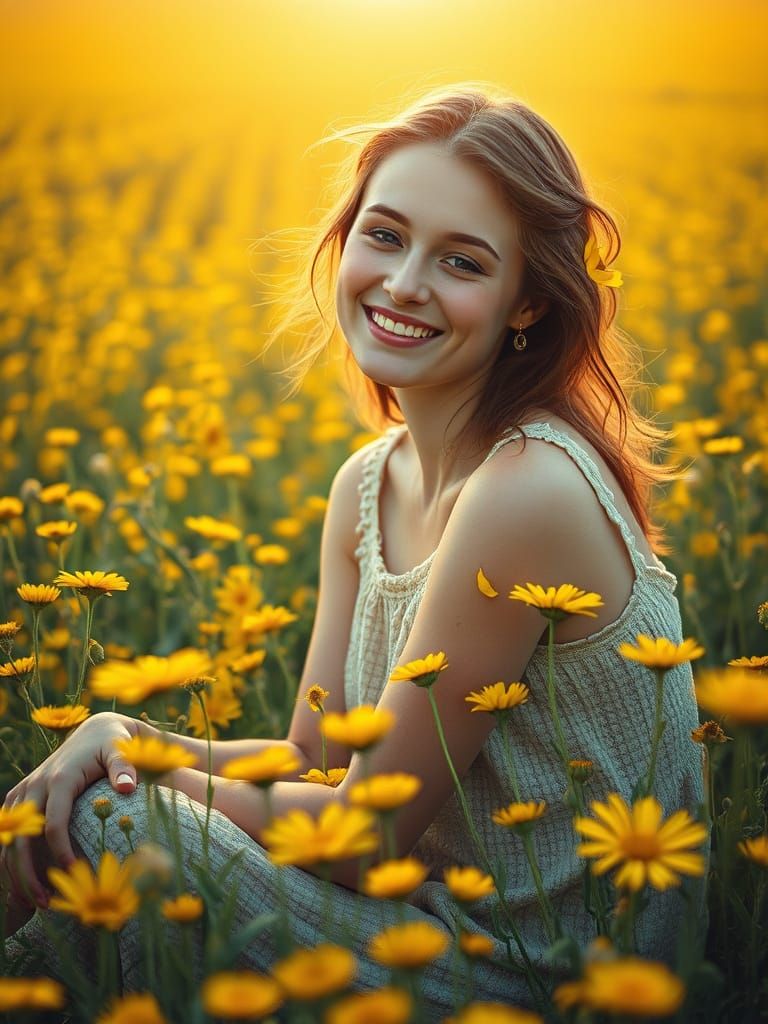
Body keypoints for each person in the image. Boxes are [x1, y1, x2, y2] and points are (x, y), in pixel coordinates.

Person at [2, 84, 708, 1017]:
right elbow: (311, 758)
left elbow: (367, 834)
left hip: (544, 981)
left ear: (528, 302)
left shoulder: (527, 488)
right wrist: (128, 737)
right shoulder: (366, 486)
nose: (405, 282)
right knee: (96, 812)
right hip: (411, 921)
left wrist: (141, 780)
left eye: (460, 260)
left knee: (112, 823)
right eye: (385, 234)